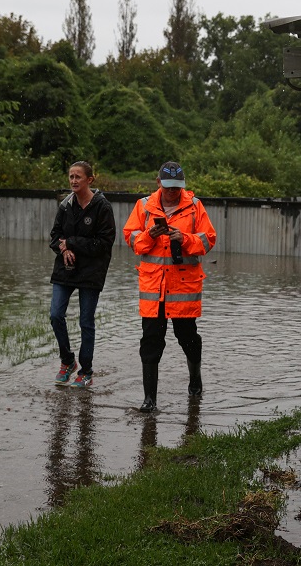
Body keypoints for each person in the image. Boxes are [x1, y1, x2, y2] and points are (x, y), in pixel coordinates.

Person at [122, 161, 217, 412]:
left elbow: (208, 240)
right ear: (158, 183)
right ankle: (149, 400)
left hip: (183, 289)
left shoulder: (195, 207)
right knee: (151, 342)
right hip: (153, 289)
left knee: (187, 338)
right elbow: (132, 240)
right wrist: (150, 235)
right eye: (168, 187)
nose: (173, 192)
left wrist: (184, 238)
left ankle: (195, 379)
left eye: (177, 188)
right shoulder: (143, 206)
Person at [49, 160, 116, 388]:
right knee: (55, 315)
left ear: (90, 179)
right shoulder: (65, 205)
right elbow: (55, 236)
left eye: (78, 177)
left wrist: (72, 243)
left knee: (85, 321)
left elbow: (104, 243)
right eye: (71, 177)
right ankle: (68, 361)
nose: (74, 181)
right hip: (66, 268)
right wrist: (64, 248)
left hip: (91, 270)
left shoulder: (102, 207)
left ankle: (86, 371)